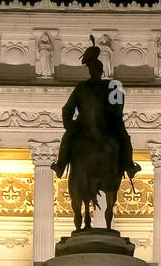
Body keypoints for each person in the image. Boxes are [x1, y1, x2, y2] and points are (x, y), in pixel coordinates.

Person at [50, 38, 139, 181]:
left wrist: (69, 124)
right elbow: (118, 107)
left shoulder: (88, 87)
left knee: (68, 138)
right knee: (124, 138)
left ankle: (61, 165)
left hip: (86, 124)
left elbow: (67, 109)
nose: (94, 72)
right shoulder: (108, 86)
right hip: (101, 124)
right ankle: (129, 166)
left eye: (95, 69)